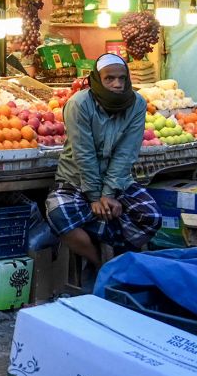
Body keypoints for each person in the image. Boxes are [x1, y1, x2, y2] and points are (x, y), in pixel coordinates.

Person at [45, 53, 160, 272]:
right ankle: (100, 263)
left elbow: (126, 152)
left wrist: (108, 193)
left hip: (117, 181)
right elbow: (83, 153)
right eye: (109, 79)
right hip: (75, 179)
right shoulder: (79, 104)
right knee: (58, 213)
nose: (117, 84)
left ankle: (119, 259)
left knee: (150, 216)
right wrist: (95, 196)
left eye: (122, 78)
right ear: (96, 79)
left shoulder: (136, 104)